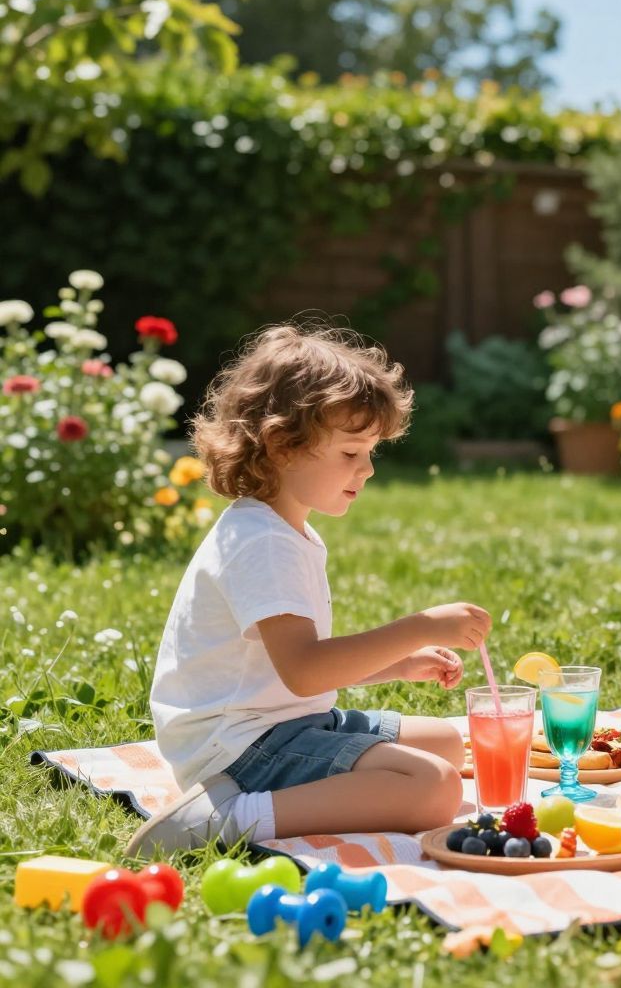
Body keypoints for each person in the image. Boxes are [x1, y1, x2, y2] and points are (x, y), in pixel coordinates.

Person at [128, 326, 490, 857]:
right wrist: (420, 626)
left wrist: (399, 664)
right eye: (350, 452)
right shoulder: (262, 543)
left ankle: (279, 797)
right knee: (435, 788)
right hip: (239, 748)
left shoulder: (283, 530)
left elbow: (293, 668)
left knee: (445, 742)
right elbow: (305, 671)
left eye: (371, 452)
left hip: (284, 723)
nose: (367, 468)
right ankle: (227, 818)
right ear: (283, 446)